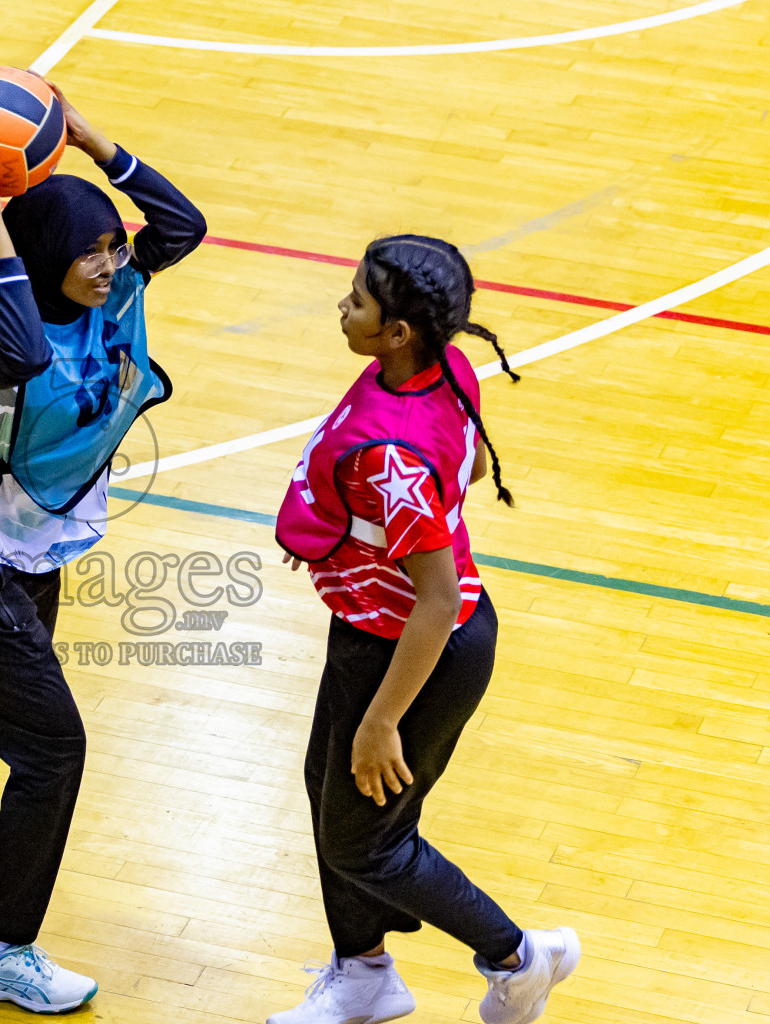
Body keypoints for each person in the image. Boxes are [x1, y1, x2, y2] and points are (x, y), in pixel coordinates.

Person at [0, 79, 205, 1014]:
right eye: (91, 251)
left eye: (111, 247)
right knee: (53, 751)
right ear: (43, 252)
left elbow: (183, 224)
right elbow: (18, 351)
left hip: (30, 546)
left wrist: (96, 142)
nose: (109, 263)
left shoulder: (118, 291)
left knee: (0, 682)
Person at [269, 236, 579, 1024]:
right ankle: (364, 973)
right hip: (372, 631)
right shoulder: (436, 371)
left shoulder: (389, 455)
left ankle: (519, 957)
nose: (344, 306)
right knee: (332, 801)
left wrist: (382, 721)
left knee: (365, 842)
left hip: (421, 649)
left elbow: (436, 600)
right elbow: (467, 468)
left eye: (359, 300)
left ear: (398, 330)